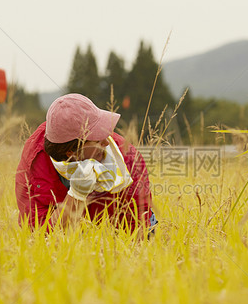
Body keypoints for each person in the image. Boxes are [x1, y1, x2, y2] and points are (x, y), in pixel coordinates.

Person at [15, 93, 155, 233]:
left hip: (111, 231)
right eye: (97, 140)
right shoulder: (33, 160)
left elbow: (136, 231)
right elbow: (38, 235)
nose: (107, 141)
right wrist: (76, 196)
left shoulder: (128, 159)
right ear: (71, 152)